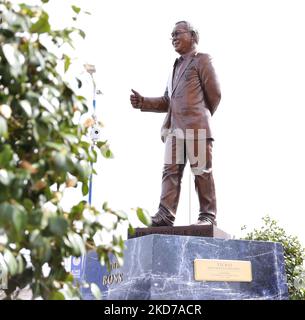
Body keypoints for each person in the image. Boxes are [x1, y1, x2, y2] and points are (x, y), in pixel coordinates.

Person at [130, 21, 221, 227]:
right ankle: (165, 214)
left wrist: (199, 116)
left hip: (196, 128)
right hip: (174, 130)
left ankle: (208, 216)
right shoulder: (175, 67)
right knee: (170, 172)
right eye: (171, 35)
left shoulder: (202, 60)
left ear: (192, 36)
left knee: (201, 172)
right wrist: (143, 102)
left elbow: (215, 94)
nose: (173, 38)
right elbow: (167, 101)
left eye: (177, 33)